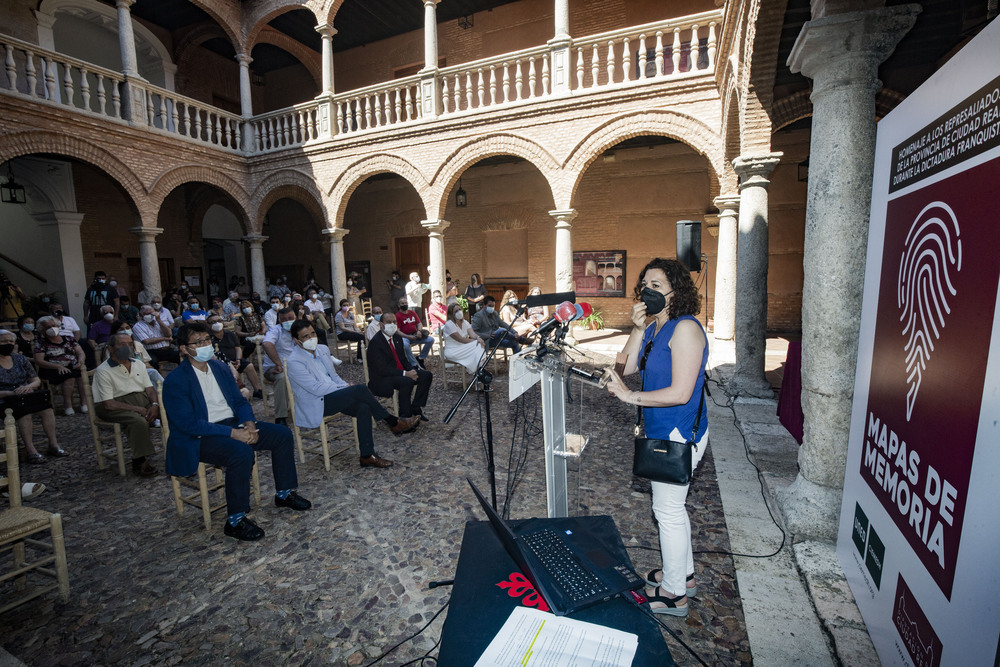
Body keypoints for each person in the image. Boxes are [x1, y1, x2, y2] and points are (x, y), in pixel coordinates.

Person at [604, 258, 709, 618]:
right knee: (672, 509)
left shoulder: (685, 329)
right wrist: (636, 329)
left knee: (667, 511)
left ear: (675, 292)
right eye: (645, 284)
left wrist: (630, 397)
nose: (649, 291)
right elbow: (626, 369)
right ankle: (686, 575)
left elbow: (680, 392)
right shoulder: (655, 328)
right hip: (661, 427)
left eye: (657, 285)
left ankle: (674, 593)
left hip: (680, 429)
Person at [162, 322, 311, 541]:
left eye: (207, 340)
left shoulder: (220, 368)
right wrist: (234, 434)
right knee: (240, 452)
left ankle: (284, 493)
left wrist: (249, 423)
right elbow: (188, 424)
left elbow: (239, 402)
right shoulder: (176, 380)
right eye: (199, 342)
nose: (206, 345)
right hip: (198, 436)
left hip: (231, 423)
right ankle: (235, 519)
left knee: (281, 434)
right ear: (184, 348)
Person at [286, 320, 419, 469]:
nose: (311, 338)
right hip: (316, 402)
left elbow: (334, 376)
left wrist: (344, 386)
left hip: (334, 394)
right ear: (296, 341)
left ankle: (367, 456)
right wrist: (342, 388)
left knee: (363, 407)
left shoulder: (322, 349)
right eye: (305, 336)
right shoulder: (294, 361)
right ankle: (392, 421)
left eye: (313, 333)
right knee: (360, 389)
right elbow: (315, 388)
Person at [92, 332, 161, 477]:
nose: (127, 347)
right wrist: (139, 409)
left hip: (140, 399)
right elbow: (109, 403)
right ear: (110, 348)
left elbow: (149, 389)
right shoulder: (103, 371)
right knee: (137, 421)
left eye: (130, 344)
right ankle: (139, 461)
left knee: (172, 410)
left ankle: (182, 450)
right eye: (122, 345)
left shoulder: (139, 364)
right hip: (114, 404)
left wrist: (155, 404)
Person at [0, 329, 66, 463]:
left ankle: (53, 444)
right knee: (24, 413)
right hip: (5, 397)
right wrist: (12, 393)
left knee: (47, 409)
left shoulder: (20, 358)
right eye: (4, 341)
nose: (8, 343)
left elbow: (36, 380)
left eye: (11, 341)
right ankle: (31, 451)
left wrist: (27, 387)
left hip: (25, 393)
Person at [366, 312, 433, 421]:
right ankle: (405, 416)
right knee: (407, 381)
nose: (392, 325)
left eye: (394, 322)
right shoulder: (376, 343)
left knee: (426, 375)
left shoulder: (397, 337)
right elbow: (382, 369)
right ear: (381, 325)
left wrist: (412, 370)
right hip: (382, 378)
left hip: (399, 372)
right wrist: (405, 374)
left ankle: (415, 407)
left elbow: (403, 359)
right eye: (388, 322)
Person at [33, 316, 87, 416]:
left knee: (81, 375)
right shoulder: (41, 342)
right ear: (43, 330)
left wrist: (80, 362)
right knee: (69, 376)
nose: (52, 328)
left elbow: (80, 353)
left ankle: (84, 403)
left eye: (53, 325)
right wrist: (57, 366)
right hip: (51, 368)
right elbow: (39, 360)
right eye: (48, 327)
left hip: (71, 365)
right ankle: (68, 405)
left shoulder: (69, 339)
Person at [207, 314, 262, 399]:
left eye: (219, 321)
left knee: (249, 366)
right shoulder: (207, 338)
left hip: (235, 359)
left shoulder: (229, 334)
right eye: (213, 322)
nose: (217, 323)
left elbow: (238, 348)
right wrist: (227, 362)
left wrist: (238, 359)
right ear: (209, 325)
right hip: (221, 362)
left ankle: (257, 390)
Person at [261, 307, 297, 424]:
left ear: (295, 318)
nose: (288, 321)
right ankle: (281, 416)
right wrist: (278, 364)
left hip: (295, 367)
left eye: (290, 318)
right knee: (282, 377)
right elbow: (267, 344)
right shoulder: (275, 331)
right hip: (274, 368)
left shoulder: (300, 329)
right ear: (279, 321)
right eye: (284, 319)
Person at [441, 303, 486, 375]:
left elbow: (472, 334)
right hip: (453, 351)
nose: (459, 312)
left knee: (479, 346)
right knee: (477, 345)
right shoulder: (449, 324)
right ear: (451, 314)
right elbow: (461, 339)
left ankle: (480, 371)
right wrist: (476, 341)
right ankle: (479, 372)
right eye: (456, 311)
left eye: (459, 309)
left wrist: (478, 338)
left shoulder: (465, 322)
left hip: (464, 348)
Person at [132, 305, 180, 371]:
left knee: (181, 355)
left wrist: (159, 320)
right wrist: (165, 339)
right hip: (151, 351)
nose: (150, 315)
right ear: (141, 315)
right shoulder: (138, 326)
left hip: (166, 349)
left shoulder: (158, 322)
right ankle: (158, 380)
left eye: (152, 313)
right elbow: (147, 341)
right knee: (152, 362)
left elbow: (169, 334)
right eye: (147, 314)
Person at [395, 297, 434, 369]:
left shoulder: (412, 312)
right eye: (402, 303)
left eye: (406, 303)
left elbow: (419, 324)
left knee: (430, 340)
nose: (404, 304)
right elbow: (397, 331)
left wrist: (419, 331)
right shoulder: (397, 316)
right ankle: (414, 364)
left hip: (415, 334)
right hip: (405, 337)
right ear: (399, 305)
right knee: (406, 345)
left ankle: (420, 358)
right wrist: (408, 337)